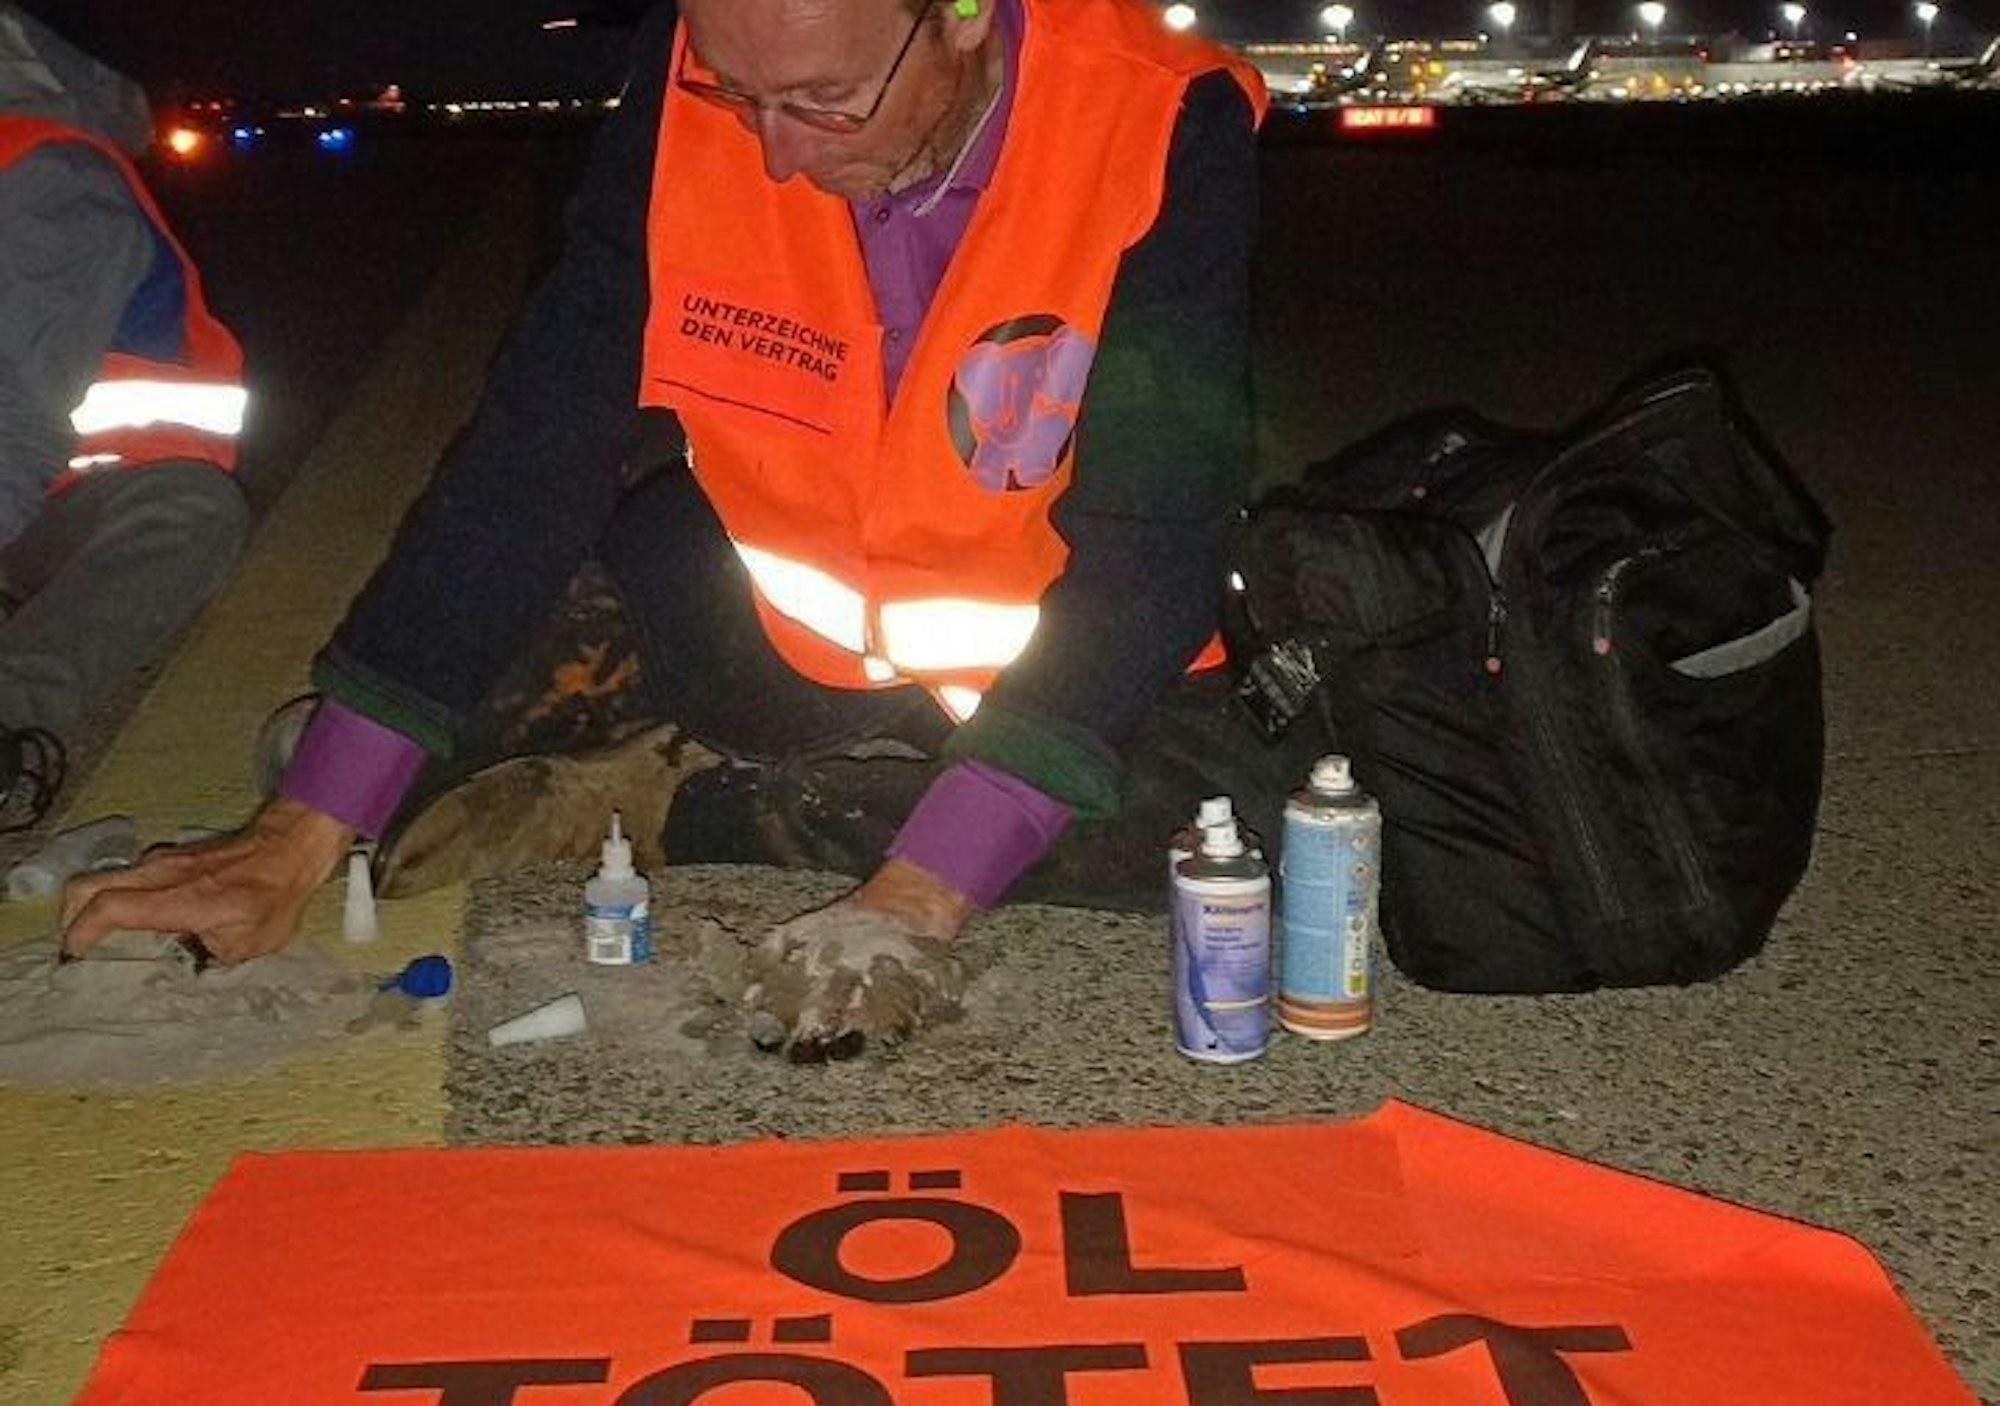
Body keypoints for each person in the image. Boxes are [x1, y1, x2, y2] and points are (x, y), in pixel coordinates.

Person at [64, 0, 1309, 1058]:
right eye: (738, 97)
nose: (774, 156)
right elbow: (536, 449)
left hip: (1060, 667)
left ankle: (682, 806)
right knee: (361, 742)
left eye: (824, 102)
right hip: (765, 626)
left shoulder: (1153, 120)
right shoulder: (694, 80)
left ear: (968, 16)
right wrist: (294, 835)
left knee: (1208, 848)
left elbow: (1153, 545)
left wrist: (915, 898)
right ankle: (654, 779)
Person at [0, 4, 252, 828]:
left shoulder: (43, 184)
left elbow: (14, 429)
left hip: (70, 501)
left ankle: (13, 708)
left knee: (188, 514)